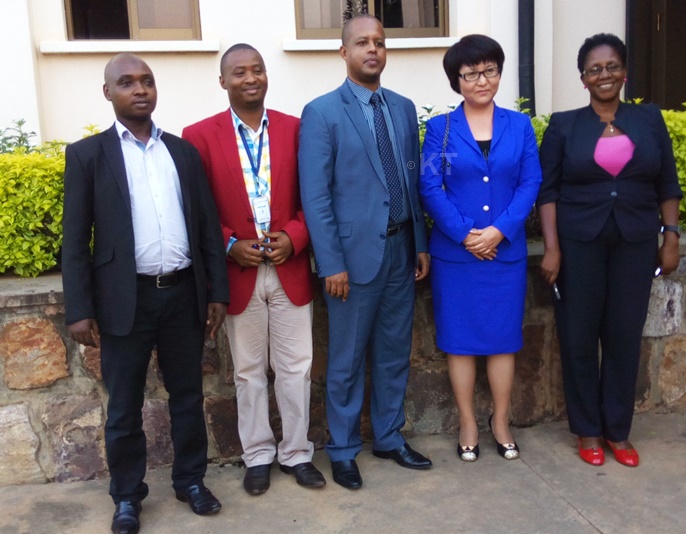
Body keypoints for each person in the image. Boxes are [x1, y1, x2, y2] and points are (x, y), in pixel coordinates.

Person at [62, 53, 229, 534]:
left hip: (181, 295)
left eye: (147, 81)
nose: (140, 90)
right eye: (127, 82)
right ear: (108, 92)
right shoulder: (88, 155)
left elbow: (206, 229)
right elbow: (75, 240)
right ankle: (127, 497)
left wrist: (216, 292)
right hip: (123, 302)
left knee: (187, 396)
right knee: (124, 406)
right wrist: (79, 309)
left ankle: (190, 481)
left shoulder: (182, 152)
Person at [182, 43, 325, 496]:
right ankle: (258, 455)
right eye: (239, 72)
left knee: (296, 367)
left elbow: (316, 196)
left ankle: (297, 452)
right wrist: (228, 244)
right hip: (239, 271)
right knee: (248, 371)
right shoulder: (198, 136)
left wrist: (296, 236)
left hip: (289, 266)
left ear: (266, 76)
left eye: (257, 70)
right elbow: (197, 208)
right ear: (223, 81)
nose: (250, 78)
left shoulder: (295, 129)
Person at [298, 14, 431, 490]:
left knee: (394, 353)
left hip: (401, 250)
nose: (372, 49)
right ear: (344, 52)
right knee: (348, 359)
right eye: (362, 43)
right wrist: (330, 262)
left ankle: (390, 437)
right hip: (352, 260)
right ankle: (342, 449)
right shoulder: (321, 112)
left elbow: (411, 181)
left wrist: (420, 243)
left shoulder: (403, 108)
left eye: (379, 41)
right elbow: (316, 196)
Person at [537, 33, 682, 467]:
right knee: (579, 336)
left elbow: (667, 181)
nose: (604, 75)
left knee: (623, 336)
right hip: (578, 244)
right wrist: (552, 248)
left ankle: (618, 431)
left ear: (624, 72)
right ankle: (588, 429)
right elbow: (548, 191)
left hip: (635, 243)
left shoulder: (649, 119)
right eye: (594, 69)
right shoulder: (564, 126)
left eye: (612, 66)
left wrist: (671, 236)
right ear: (583, 78)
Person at [419, 35, 542, 463]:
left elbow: (530, 182)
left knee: (503, 340)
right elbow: (430, 186)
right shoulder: (440, 129)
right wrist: (466, 233)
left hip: (504, 255)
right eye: (470, 73)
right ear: (456, 80)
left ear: (499, 73)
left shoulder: (519, 126)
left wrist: (500, 231)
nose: (481, 80)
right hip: (457, 258)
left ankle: (501, 421)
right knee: (460, 341)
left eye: (489, 70)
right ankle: (468, 422)